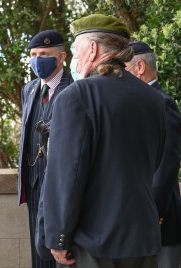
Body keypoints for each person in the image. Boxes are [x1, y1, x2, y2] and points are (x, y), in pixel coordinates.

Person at [37, 14, 167, 267]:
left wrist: (58, 238)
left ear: (93, 49)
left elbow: (67, 176)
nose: (74, 59)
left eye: (75, 51)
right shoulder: (153, 99)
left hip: (94, 243)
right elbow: (154, 163)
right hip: (142, 239)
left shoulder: (77, 96)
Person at [18, 30, 73, 268]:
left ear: (62, 57)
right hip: (33, 186)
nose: (37, 59)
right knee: (38, 256)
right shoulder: (29, 90)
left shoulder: (75, 89)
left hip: (60, 189)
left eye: (45, 54)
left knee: (61, 257)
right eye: (34, 54)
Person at [126, 41, 181, 268]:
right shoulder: (136, 103)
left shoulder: (162, 103)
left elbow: (167, 167)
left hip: (161, 222)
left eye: (124, 69)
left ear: (139, 67)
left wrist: (153, 216)